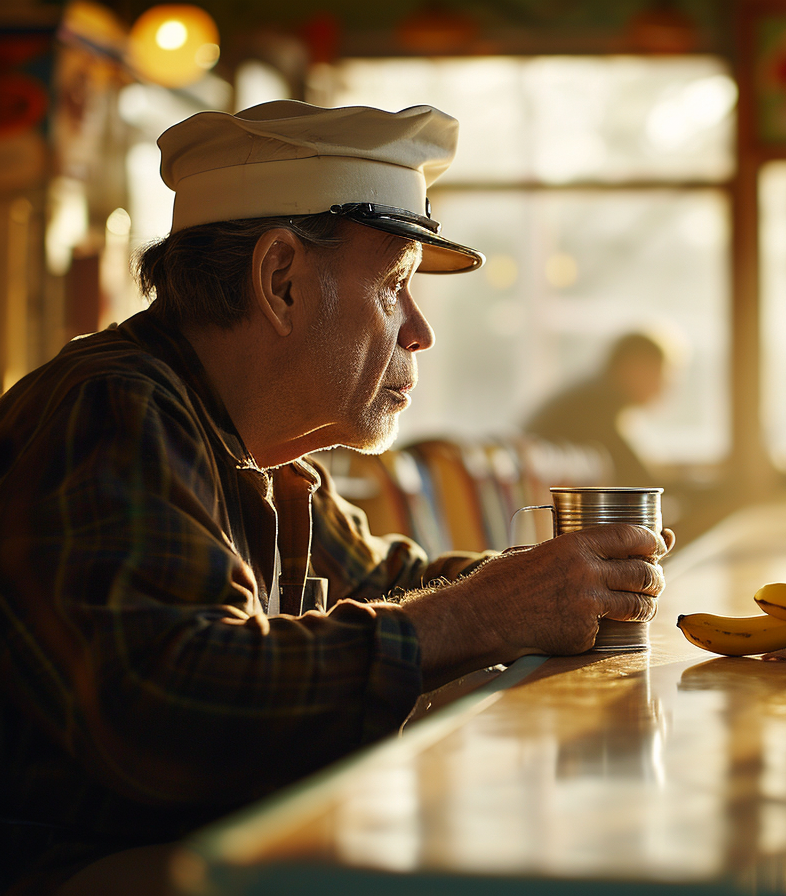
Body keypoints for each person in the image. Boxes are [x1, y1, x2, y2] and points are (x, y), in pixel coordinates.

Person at [0, 101, 672, 893]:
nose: (419, 331)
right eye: (394, 286)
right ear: (280, 280)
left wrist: (569, 584)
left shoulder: (267, 460)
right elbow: (169, 704)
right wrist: (489, 610)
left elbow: (395, 585)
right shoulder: (112, 407)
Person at [524, 332, 668, 485]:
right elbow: (637, 479)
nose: (663, 387)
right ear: (634, 366)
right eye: (660, 374)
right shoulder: (599, 405)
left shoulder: (594, 392)